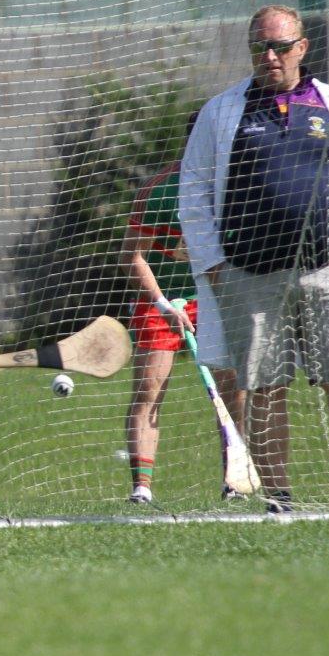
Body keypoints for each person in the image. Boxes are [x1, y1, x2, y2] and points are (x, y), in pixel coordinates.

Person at [180, 4, 329, 514]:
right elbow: (194, 190)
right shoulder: (223, 112)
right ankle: (279, 499)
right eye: (260, 47)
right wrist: (215, 266)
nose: (270, 56)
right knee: (264, 387)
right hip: (250, 274)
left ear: (302, 48)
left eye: (281, 46)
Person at [122, 118, 243, 504]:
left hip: (215, 296)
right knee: (150, 388)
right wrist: (162, 303)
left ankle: (236, 481)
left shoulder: (238, 186)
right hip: (160, 298)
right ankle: (142, 489)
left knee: (232, 387)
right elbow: (131, 255)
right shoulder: (158, 191)